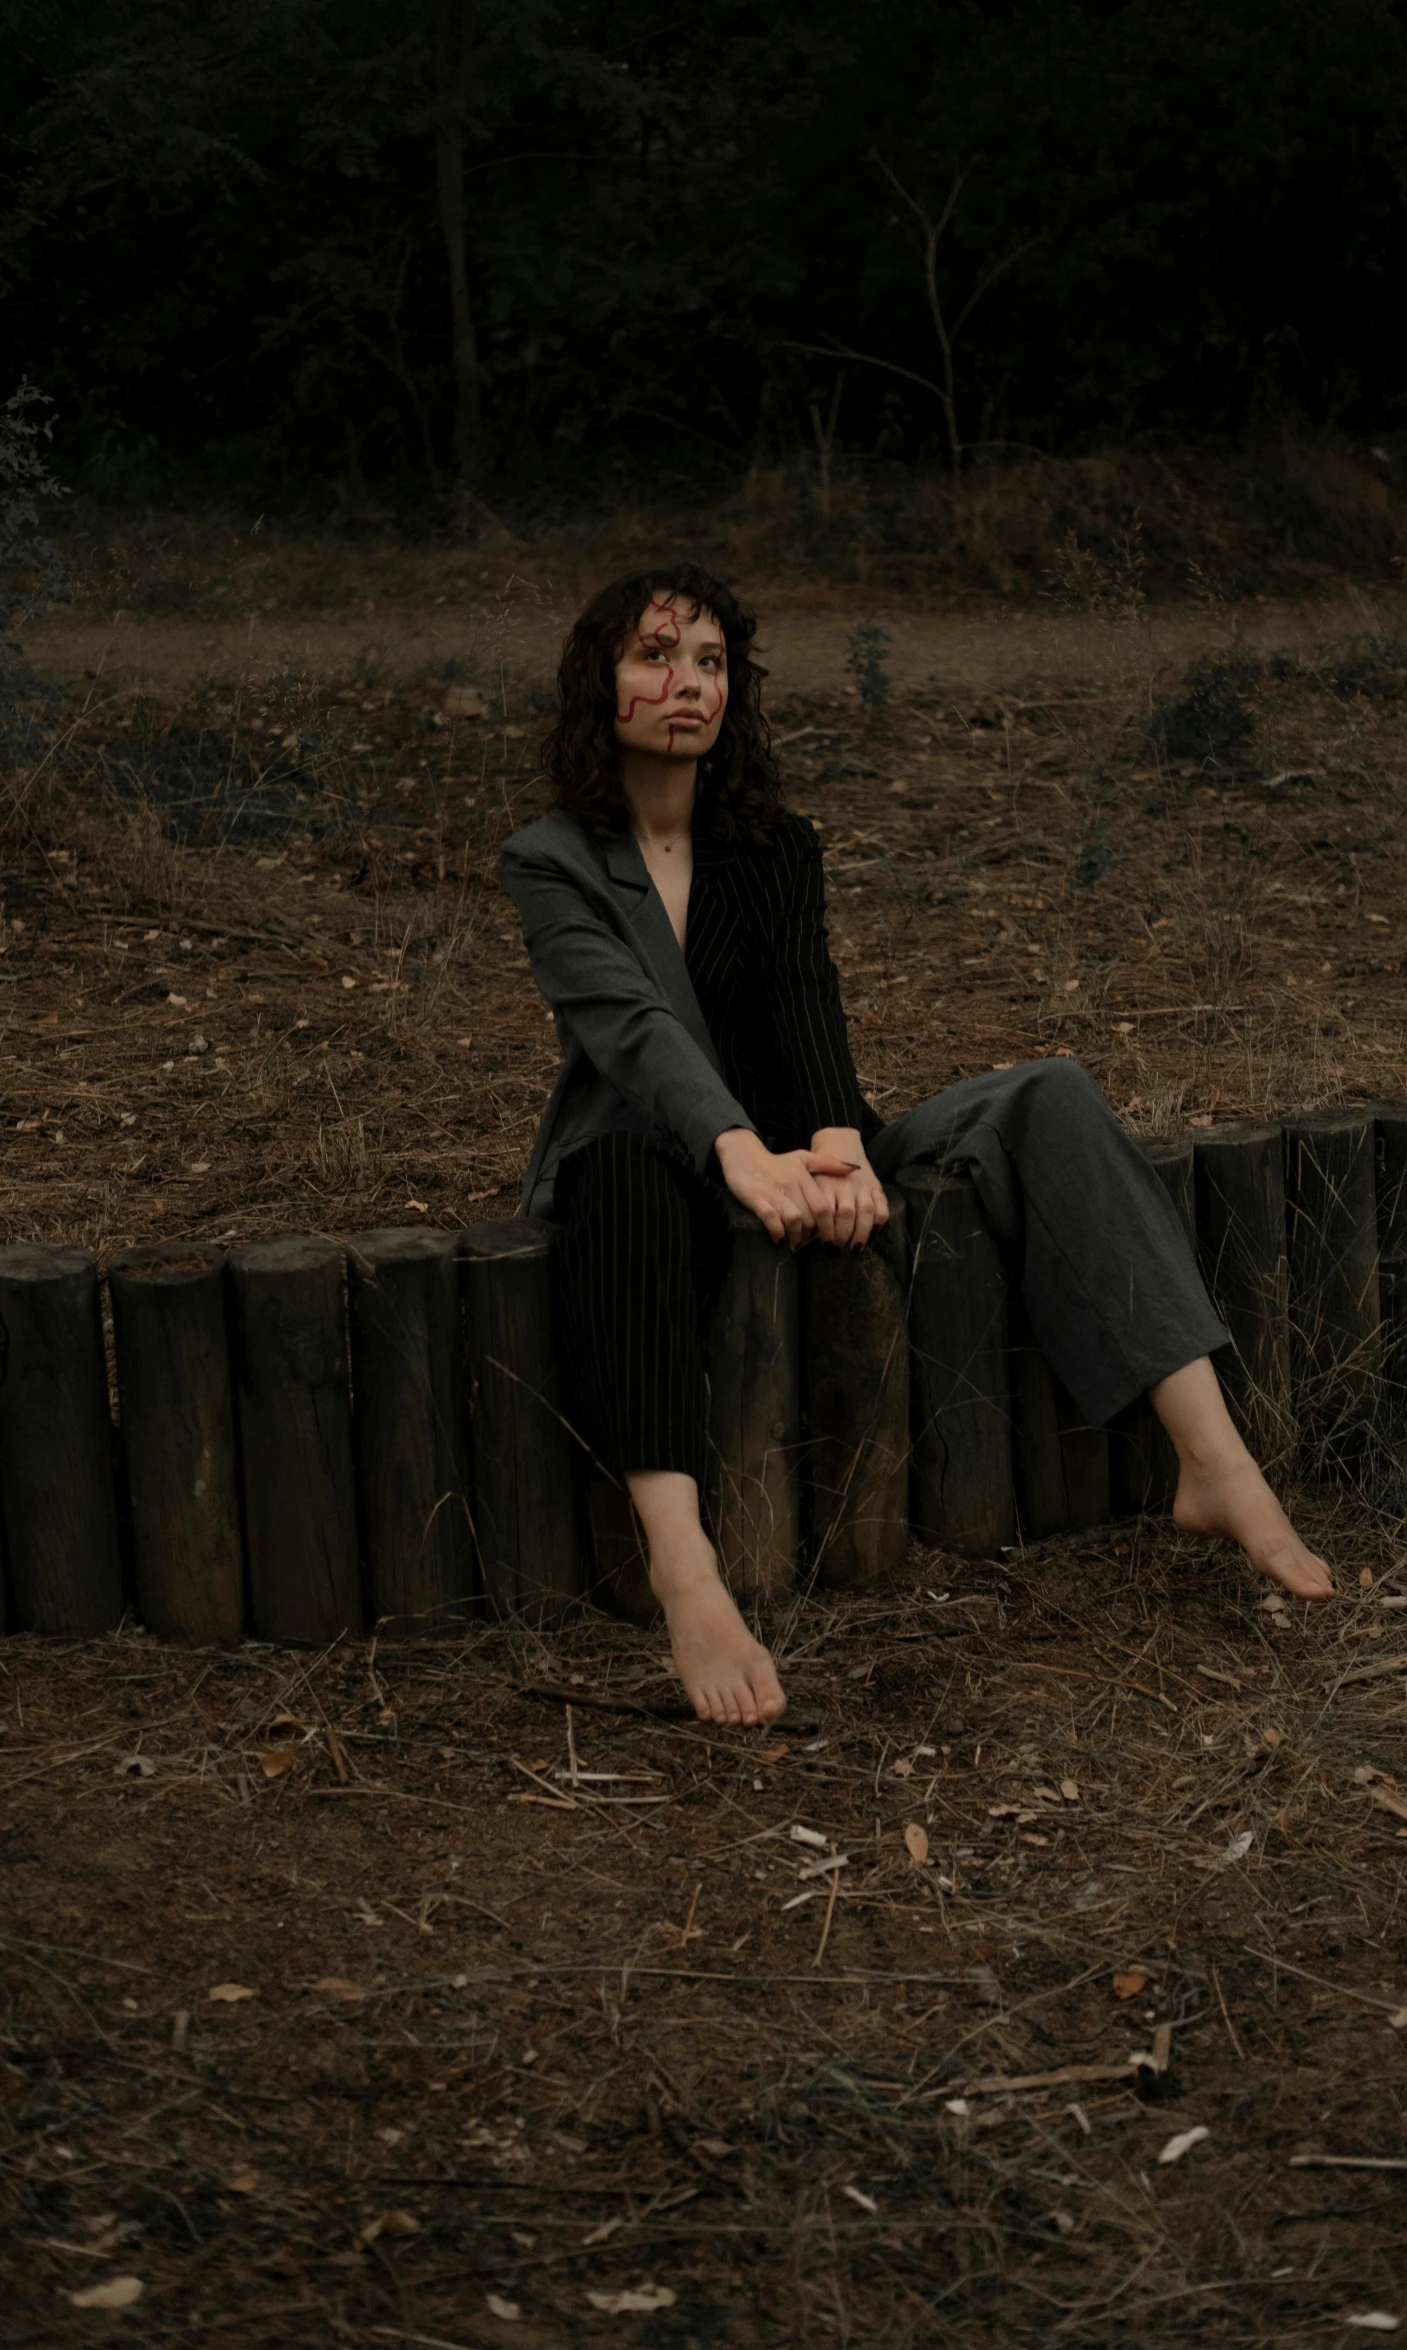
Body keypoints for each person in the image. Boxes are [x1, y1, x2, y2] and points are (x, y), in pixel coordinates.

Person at [502, 564, 1332, 1730]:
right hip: (649, 1155)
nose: (685, 683)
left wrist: (837, 1145)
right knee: (630, 1178)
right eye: (654, 654)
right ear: (602, 679)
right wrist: (742, 1151)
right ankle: (684, 1566)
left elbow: (804, 1002)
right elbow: (628, 1030)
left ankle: (1214, 1460)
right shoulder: (551, 858)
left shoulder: (774, 845)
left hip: (798, 1155)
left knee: (1048, 1095)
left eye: (709, 662)